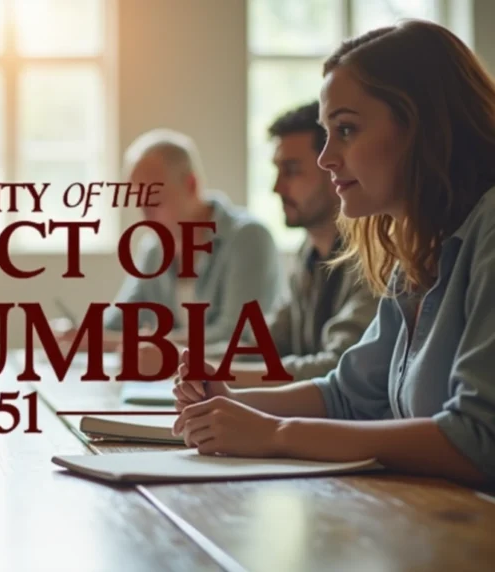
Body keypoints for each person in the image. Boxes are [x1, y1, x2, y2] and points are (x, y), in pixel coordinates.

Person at [172, 20, 495, 488]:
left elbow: (478, 439)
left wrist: (277, 433)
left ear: (422, 127)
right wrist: (231, 398)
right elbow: (347, 394)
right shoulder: (418, 248)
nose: (326, 159)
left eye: (346, 130)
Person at [136, 102, 380, 385]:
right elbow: (259, 345)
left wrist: (190, 365)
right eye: (277, 170)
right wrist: (184, 360)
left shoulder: (374, 257)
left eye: (291, 170)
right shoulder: (309, 255)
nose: (276, 187)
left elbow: (338, 370)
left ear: (332, 169)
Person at [55, 128, 283, 353]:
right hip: (179, 383)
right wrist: (82, 333)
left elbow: (236, 335)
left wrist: (147, 344)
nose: (144, 215)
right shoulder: (154, 249)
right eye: (139, 203)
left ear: (191, 185)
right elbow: (119, 321)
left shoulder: (248, 238)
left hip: (238, 384)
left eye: (153, 201)